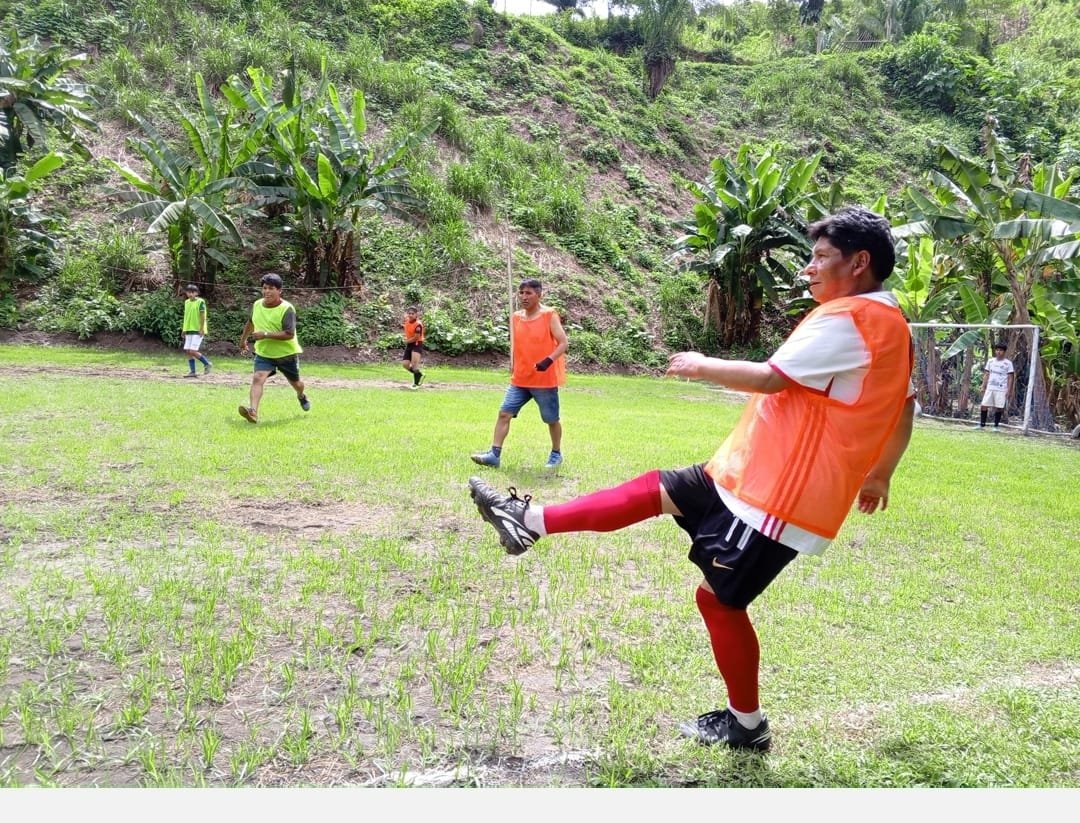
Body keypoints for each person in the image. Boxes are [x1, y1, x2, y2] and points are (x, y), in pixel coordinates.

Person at [468, 207, 916, 752]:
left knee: (720, 603)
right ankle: (529, 521)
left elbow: (772, 379)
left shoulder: (852, 318)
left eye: (821, 257)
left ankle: (746, 727)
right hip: (748, 473)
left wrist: (703, 364)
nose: (808, 268)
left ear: (860, 262)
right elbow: (904, 405)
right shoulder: (890, 323)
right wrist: (881, 474)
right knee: (659, 488)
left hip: (776, 499)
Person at [471, 278, 569, 470]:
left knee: (551, 419)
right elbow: (519, 345)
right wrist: (514, 364)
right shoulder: (516, 317)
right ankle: (494, 455)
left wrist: (548, 361)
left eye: (529, 293)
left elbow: (563, 342)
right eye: (521, 292)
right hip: (520, 379)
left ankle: (556, 453)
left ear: (539, 295)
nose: (524, 297)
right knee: (504, 413)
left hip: (543, 380)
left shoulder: (549, 315)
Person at [237, 273, 310, 424]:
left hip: (286, 354)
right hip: (264, 353)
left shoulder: (287, 309)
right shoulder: (257, 304)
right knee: (258, 378)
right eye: (264, 288)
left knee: (296, 384)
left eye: (271, 288)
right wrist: (243, 340)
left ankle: (301, 396)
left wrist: (265, 334)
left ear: (279, 291)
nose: (267, 292)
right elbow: (250, 322)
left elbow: (289, 334)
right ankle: (253, 412)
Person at [977, 343, 1014, 430]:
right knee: (984, 405)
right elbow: (986, 374)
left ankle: (996, 426)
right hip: (990, 387)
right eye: (997, 350)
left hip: (1001, 388)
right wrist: (983, 385)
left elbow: (1010, 377)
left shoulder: (1008, 363)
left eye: (1001, 350)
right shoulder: (990, 361)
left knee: (999, 407)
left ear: (1004, 352)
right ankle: (982, 425)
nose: (998, 352)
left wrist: (1009, 390)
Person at [181, 283, 212, 377]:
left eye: (192, 292)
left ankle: (207, 363)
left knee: (193, 350)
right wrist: (184, 329)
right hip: (188, 329)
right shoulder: (186, 302)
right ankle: (192, 372)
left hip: (197, 330)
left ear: (196, 293)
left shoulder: (200, 302)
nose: (190, 294)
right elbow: (186, 316)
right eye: (188, 292)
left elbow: (203, 316)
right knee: (188, 350)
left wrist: (202, 328)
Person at [402, 306, 425, 389]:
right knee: (405, 364)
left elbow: (416, 337)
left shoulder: (418, 325)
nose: (410, 315)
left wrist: (406, 341)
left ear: (416, 315)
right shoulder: (407, 322)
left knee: (415, 364)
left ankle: (416, 384)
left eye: (412, 314)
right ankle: (419, 374)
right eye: (409, 313)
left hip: (416, 343)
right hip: (409, 343)